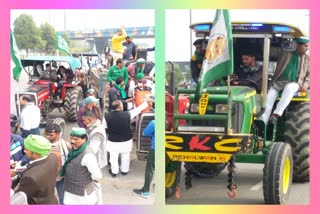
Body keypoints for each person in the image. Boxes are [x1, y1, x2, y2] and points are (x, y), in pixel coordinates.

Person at [260, 36, 310, 124]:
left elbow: (310, 75)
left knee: (290, 88)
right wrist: (267, 38)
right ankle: (262, 124)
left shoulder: (308, 58)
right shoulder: (285, 53)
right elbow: (270, 51)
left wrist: (305, 85)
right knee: (268, 99)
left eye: (307, 46)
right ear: (298, 45)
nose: (307, 48)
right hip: (279, 82)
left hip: (295, 83)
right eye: (305, 46)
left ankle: (276, 114)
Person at [105, 99, 150, 177]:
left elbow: (104, 127)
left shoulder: (106, 116)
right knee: (125, 155)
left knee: (113, 157)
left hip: (113, 141)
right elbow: (138, 109)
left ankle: (114, 172)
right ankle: (124, 171)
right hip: (126, 140)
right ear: (120, 107)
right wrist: (146, 103)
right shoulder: (128, 114)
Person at [14, 135, 59, 204]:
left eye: (27, 149)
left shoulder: (30, 177)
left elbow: (19, 196)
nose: (24, 151)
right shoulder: (53, 157)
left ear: (35, 153)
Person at [61, 127, 102, 205]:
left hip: (81, 196)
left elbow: (97, 176)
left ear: (84, 139)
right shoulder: (75, 149)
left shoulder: (87, 155)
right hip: (71, 191)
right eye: (71, 138)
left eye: (76, 139)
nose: (72, 141)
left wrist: (89, 179)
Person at [45, 122, 71, 205]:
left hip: (60, 178)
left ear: (58, 134)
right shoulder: (42, 145)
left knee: (62, 198)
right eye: (46, 134)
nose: (48, 137)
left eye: (51, 135)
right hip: (47, 179)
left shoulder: (65, 145)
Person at [133, 119, 155, 199]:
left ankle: (146, 192)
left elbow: (145, 133)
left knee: (150, 169)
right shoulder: (166, 121)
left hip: (155, 149)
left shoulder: (154, 122)